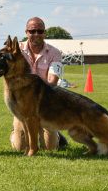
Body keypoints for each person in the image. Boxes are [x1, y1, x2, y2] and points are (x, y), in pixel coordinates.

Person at [10, 17, 68, 151]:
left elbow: (52, 81)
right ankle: (16, 131)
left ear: (44, 33)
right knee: (19, 147)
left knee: (50, 148)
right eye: (32, 31)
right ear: (26, 32)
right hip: (22, 105)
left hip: (45, 104)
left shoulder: (55, 53)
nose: (36, 34)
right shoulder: (16, 50)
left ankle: (57, 136)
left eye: (40, 31)